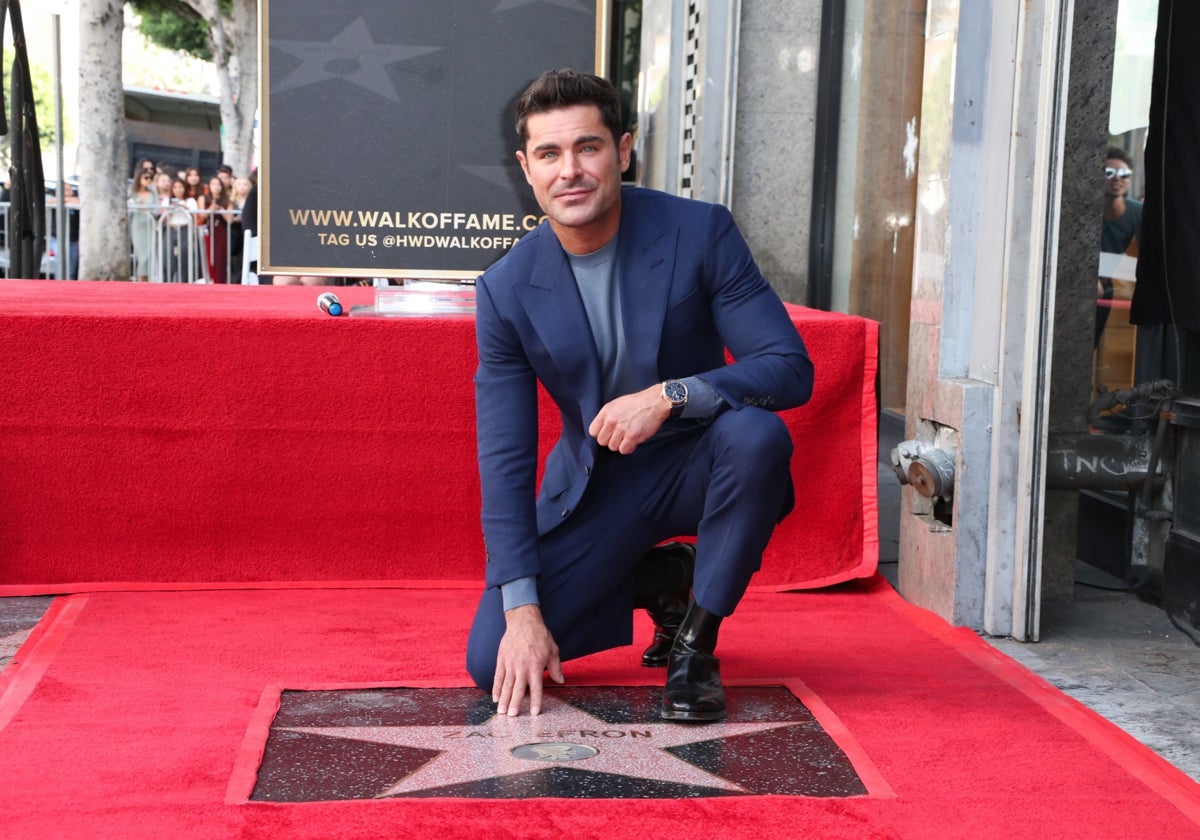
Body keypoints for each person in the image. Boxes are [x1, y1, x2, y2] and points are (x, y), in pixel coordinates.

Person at [464, 70, 813, 723]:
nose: (571, 170)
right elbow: (505, 458)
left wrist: (674, 395)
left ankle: (696, 648)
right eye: (550, 154)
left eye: (588, 148)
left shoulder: (699, 233)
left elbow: (789, 368)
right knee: (492, 660)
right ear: (527, 168)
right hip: (598, 487)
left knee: (758, 436)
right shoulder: (506, 290)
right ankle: (663, 577)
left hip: (703, 462)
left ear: (622, 152)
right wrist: (520, 609)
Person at [1095, 146, 1142, 348]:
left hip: (1126, 289)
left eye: (1124, 174)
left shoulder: (1140, 213)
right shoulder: (1086, 211)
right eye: (1110, 173)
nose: (1117, 179)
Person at [128, 169, 158, 282]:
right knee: (141, 255)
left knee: (149, 255)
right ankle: (140, 278)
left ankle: (147, 279)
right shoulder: (132, 192)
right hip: (137, 226)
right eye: (146, 178)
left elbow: (156, 210)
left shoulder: (153, 193)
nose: (148, 180)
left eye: (150, 178)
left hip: (150, 226)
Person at [201, 176, 232, 284]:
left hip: (221, 232)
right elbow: (202, 216)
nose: (216, 187)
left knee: (220, 258)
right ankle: (209, 280)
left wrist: (222, 210)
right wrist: (211, 209)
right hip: (208, 230)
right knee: (208, 256)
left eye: (218, 184)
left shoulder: (227, 200)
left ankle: (220, 281)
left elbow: (230, 219)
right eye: (213, 184)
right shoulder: (203, 199)